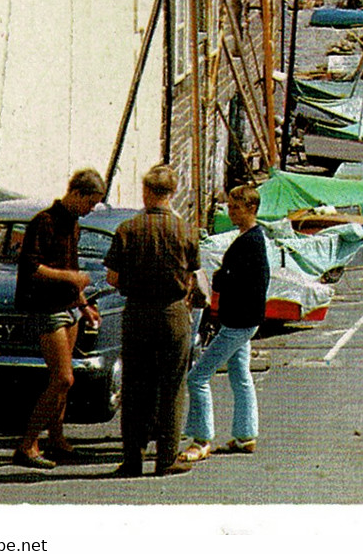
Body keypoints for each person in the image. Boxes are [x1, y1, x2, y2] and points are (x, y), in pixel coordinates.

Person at [105, 164, 201, 478]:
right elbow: (191, 276)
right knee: (172, 388)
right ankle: (166, 458)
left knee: (134, 389)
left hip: (137, 313)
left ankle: (132, 459)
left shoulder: (127, 229)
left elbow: (113, 277)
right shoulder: (186, 230)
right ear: (172, 193)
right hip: (173, 313)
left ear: (146, 192)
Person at [12, 168, 107, 469]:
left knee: (63, 382)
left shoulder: (74, 224)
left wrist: (83, 305)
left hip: (67, 307)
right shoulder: (45, 221)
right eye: (90, 202)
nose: (91, 210)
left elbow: (71, 267)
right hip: (46, 307)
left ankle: (56, 439)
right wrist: (72, 278)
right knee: (63, 378)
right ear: (76, 194)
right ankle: (27, 445)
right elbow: (30, 267)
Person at [179, 184, 269, 464]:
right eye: (230, 206)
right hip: (245, 319)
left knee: (198, 376)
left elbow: (238, 281)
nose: (230, 212)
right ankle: (245, 435)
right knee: (240, 375)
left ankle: (201, 438)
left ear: (251, 209)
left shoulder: (250, 242)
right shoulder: (251, 238)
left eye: (236, 207)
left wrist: (219, 279)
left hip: (238, 321)